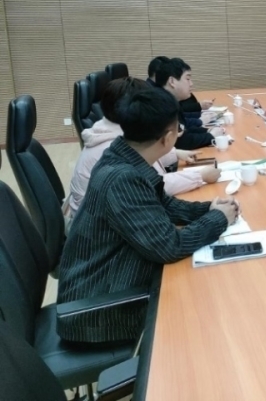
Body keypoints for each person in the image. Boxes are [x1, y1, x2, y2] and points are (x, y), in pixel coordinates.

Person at [57, 87, 239, 344]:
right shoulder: (122, 178)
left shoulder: (122, 153)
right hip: (97, 311)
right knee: (212, 310)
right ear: (167, 138)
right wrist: (218, 219)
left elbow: (162, 202)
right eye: (178, 129)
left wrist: (207, 209)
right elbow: (169, 246)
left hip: (108, 281)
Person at [65, 77, 221, 225]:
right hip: (102, 228)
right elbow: (154, 186)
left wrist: (175, 154)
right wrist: (199, 176)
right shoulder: (113, 149)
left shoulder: (110, 129)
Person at [156, 58, 223, 150]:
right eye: (187, 79)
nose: (191, 84)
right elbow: (181, 142)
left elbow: (184, 129)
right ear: (172, 81)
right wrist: (210, 136)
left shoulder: (169, 101)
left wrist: (207, 131)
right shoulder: (161, 105)